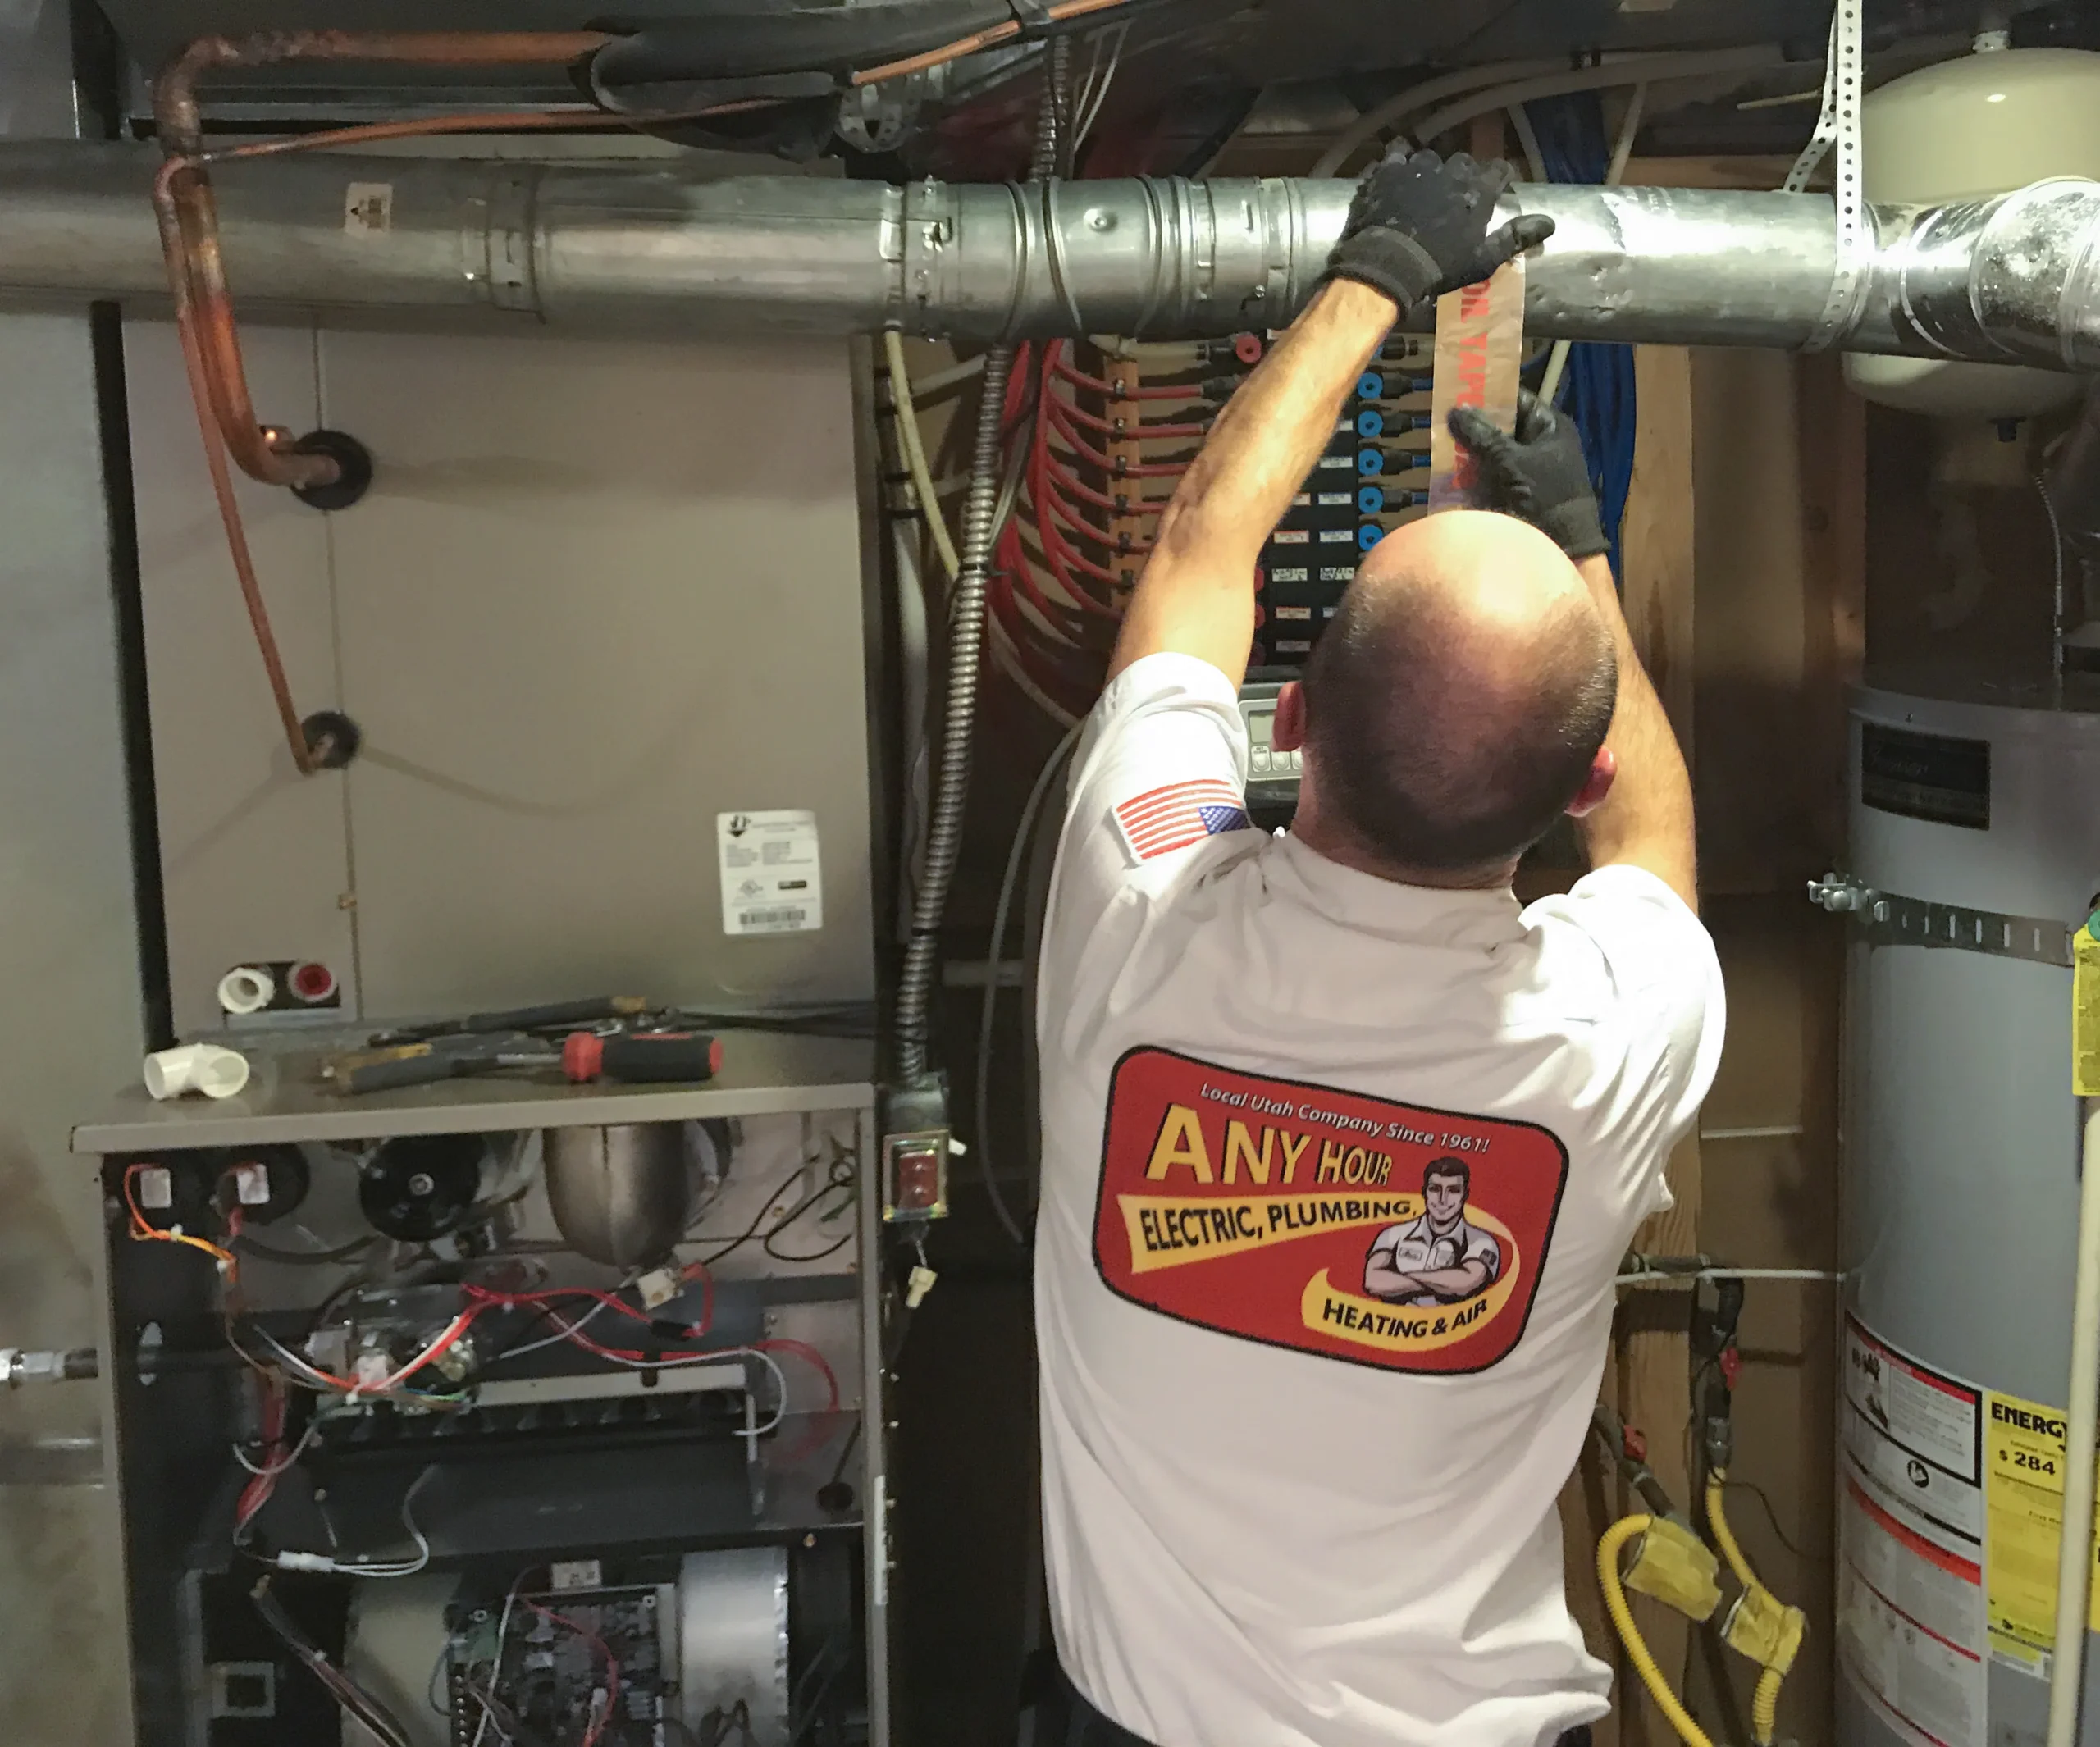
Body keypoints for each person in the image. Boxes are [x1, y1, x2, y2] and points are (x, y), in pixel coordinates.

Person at [1032, 146, 1724, 1747]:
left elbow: (1201, 558)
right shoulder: (1614, 1034)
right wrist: (1581, 545)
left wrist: (1379, 270)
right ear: (1578, 777)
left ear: (1286, 726)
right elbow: (1651, 842)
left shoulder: (1137, 911)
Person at [1362, 1156, 1503, 1307]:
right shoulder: (1393, 1234)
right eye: (1435, 1189)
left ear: (1465, 1195)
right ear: (1424, 1193)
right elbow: (1373, 1280)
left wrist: (1404, 1278)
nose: (1443, 1199)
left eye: (1453, 1191)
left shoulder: (1483, 1242)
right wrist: (1442, 1285)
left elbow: (1466, 1283)